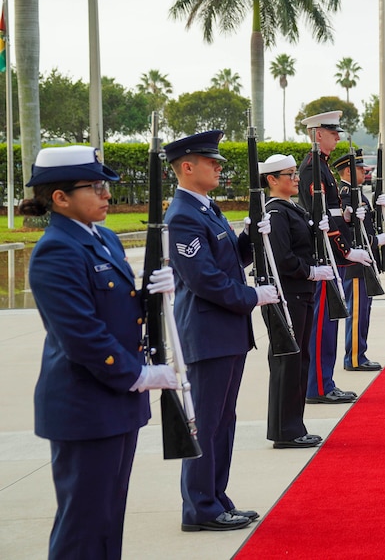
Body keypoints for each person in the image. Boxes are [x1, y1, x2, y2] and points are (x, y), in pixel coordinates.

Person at [23, 146, 176, 559]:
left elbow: (118, 309)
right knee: (84, 523)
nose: (107, 195)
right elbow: (81, 334)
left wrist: (152, 293)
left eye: (104, 185)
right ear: (60, 197)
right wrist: (138, 375)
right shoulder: (56, 251)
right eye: (95, 187)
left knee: (109, 516)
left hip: (116, 400)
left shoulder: (102, 238)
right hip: (85, 405)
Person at [165, 130, 277, 532]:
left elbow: (228, 260)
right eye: (210, 162)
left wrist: (249, 238)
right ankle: (200, 508)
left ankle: (217, 498)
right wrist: (253, 296)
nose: (218, 167)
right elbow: (205, 280)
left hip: (226, 332)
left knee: (222, 422)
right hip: (207, 333)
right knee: (206, 424)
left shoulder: (206, 209)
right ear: (187, 167)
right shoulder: (181, 216)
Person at [298, 110, 372, 404]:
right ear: (317, 135)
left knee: (330, 321)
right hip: (324, 255)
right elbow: (320, 219)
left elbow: (332, 213)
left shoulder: (322, 166)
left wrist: (350, 216)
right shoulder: (312, 168)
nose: (337, 137)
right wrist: (345, 249)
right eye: (332, 132)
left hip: (332, 255)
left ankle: (324, 381)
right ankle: (318, 386)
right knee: (322, 325)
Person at [259, 153, 329, 449]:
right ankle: (286, 431)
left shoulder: (292, 208)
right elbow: (282, 258)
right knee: (287, 362)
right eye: (290, 174)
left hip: (299, 294)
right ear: (272, 180)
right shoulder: (275, 212)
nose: (297, 178)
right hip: (288, 295)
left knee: (298, 361)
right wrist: (310, 272)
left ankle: (292, 426)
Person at [332, 150, 385, 372]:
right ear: (348, 170)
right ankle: (354, 358)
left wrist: (378, 210)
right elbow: (349, 233)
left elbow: (363, 226)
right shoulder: (345, 195)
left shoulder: (357, 194)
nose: (365, 172)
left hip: (364, 261)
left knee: (363, 310)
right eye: (360, 169)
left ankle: (359, 353)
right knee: (357, 311)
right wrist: (376, 241)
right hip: (355, 263)